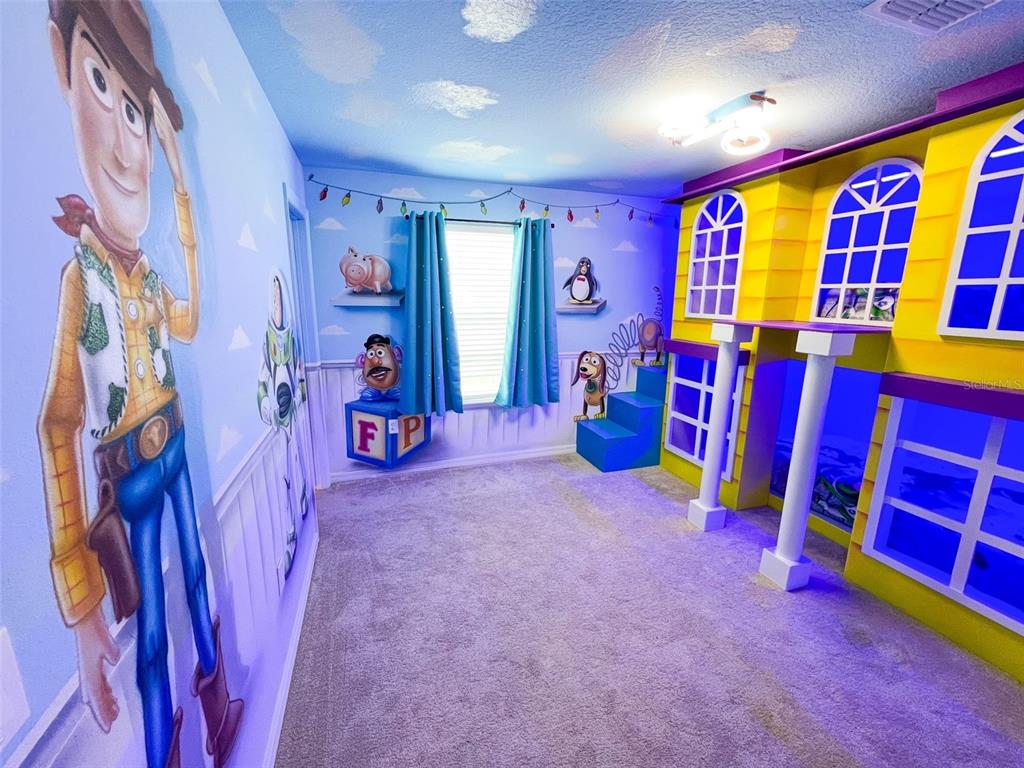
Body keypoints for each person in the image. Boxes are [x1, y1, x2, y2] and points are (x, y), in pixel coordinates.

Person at [38, 2, 242, 766]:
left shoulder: (149, 277)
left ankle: (218, 707)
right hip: (129, 475)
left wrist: (184, 190)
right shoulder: (81, 280)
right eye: (103, 85)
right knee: (150, 631)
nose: (130, 148)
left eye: (138, 115)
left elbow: (187, 323)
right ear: (63, 67)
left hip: (176, 444)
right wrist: (81, 603)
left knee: (197, 578)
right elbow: (59, 421)